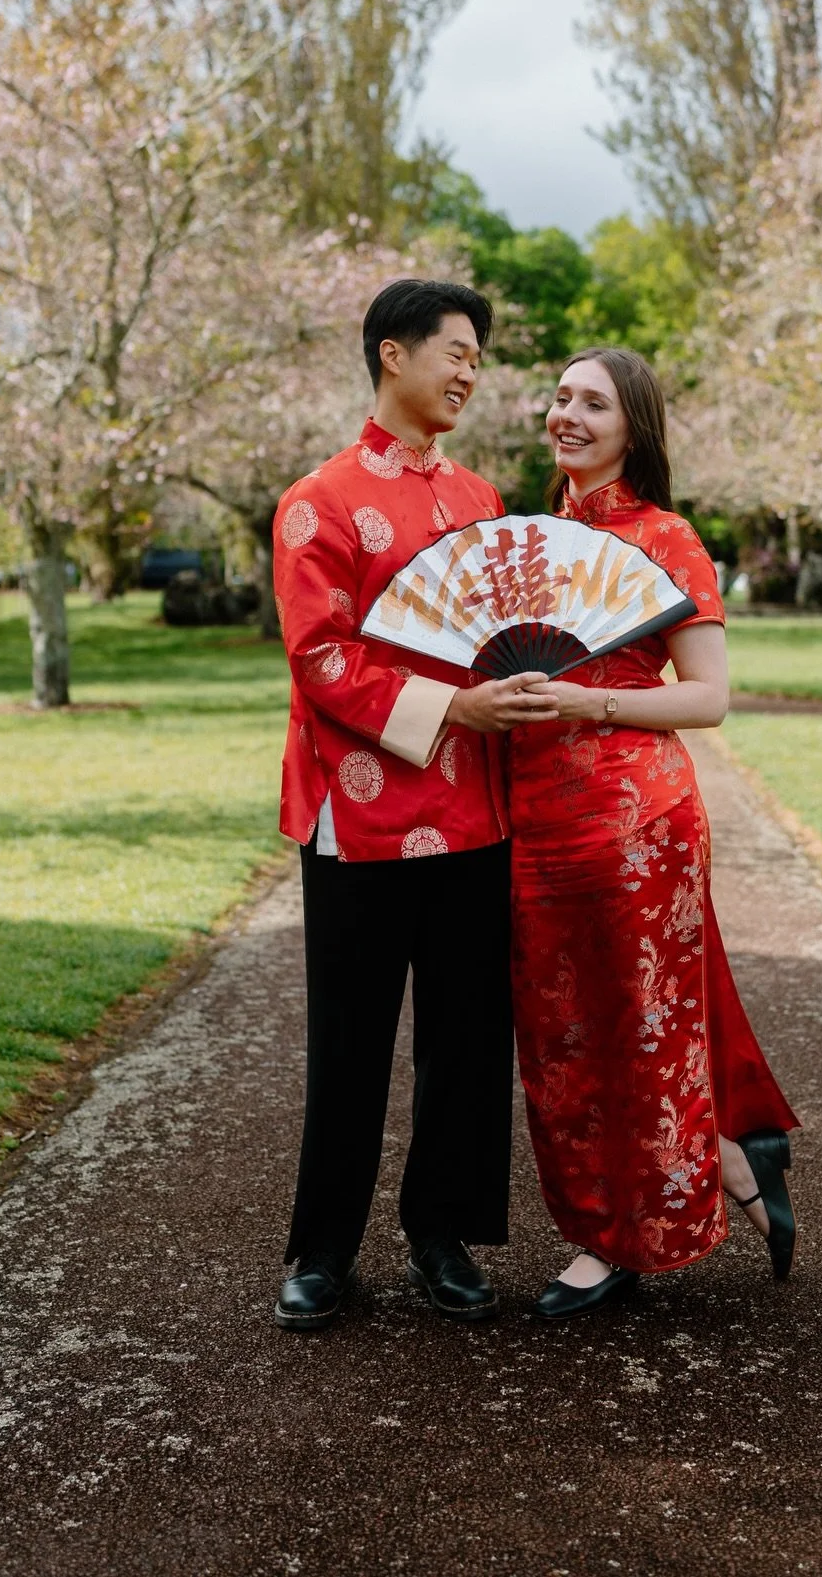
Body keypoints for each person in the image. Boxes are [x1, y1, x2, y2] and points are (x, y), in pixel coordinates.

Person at [270, 278, 558, 1332]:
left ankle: (443, 1234)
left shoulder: (482, 499)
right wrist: (455, 707)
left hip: (475, 809)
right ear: (393, 354)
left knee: (467, 1038)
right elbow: (321, 658)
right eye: (456, 352)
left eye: (479, 358)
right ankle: (323, 1250)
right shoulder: (318, 501)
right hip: (359, 815)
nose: (470, 373)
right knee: (349, 1039)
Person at [511, 347, 800, 1321]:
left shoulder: (665, 537)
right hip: (534, 819)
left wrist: (588, 702)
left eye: (594, 403)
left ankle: (617, 1240)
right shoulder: (530, 541)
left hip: (639, 819)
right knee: (559, 1038)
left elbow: (709, 697)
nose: (569, 415)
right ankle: (731, 1158)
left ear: (633, 428)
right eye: (561, 397)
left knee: (640, 1026)